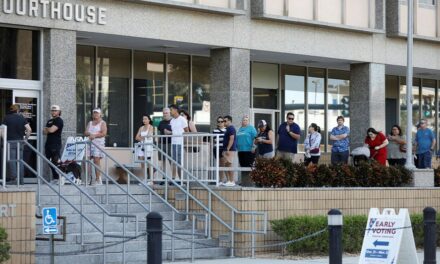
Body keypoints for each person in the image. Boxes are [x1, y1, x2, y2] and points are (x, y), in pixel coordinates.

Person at [2, 104, 31, 184]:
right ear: (18, 110)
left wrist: (4, 139)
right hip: (20, 142)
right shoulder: (22, 118)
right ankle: (21, 180)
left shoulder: (7, 118)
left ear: (11, 110)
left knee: (12, 161)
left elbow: (1, 131)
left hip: (10, 142)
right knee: (20, 161)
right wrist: (25, 139)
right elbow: (29, 129)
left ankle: (14, 179)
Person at [164, 104, 188, 181]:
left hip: (180, 143)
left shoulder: (182, 119)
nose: (170, 111)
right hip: (173, 143)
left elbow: (187, 131)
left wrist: (185, 143)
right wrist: (168, 132)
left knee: (179, 162)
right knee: (174, 161)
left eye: (171, 110)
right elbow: (173, 132)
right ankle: (174, 178)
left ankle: (181, 180)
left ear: (176, 110)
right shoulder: (172, 120)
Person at [85, 108, 107, 185]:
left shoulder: (103, 123)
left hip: (98, 144)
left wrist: (95, 135)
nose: (95, 114)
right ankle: (89, 178)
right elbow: (86, 132)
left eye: (97, 113)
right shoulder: (90, 122)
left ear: (100, 114)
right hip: (89, 143)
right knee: (86, 159)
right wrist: (90, 134)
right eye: (94, 113)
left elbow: (104, 133)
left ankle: (98, 179)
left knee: (96, 160)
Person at [44, 105, 64, 184]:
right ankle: (56, 178)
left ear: (59, 112)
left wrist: (48, 129)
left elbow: (51, 130)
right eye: (52, 110)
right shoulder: (49, 121)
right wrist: (48, 129)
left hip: (55, 144)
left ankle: (61, 177)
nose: (53, 112)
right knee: (49, 161)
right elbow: (44, 131)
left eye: (55, 110)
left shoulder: (59, 120)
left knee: (56, 162)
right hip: (48, 143)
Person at [135, 114, 154, 184]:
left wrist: (142, 138)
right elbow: (136, 137)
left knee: (149, 163)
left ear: (149, 120)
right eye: (143, 119)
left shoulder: (151, 127)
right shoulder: (141, 128)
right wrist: (143, 138)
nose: (144, 120)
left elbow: (148, 136)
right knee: (142, 163)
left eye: (146, 119)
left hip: (148, 146)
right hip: (141, 146)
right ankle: (144, 179)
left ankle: (151, 180)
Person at [222, 115, 237, 187]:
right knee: (226, 164)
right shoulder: (228, 129)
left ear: (229, 121)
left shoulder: (231, 128)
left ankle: (232, 181)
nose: (224, 122)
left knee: (229, 164)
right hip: (226, 149)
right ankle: (228, 180)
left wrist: (228, 148)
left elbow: (232, 138)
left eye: (225, 121)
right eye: (223, 121)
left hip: (229, 149)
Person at [158, 108, 172, 177]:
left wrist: (170, 132)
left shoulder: (173, 121)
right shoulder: (161, 122)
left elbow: (178, 131)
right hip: (161, 144)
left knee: (171, 161)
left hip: (170, 144)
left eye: (166, 113)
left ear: (170, 113)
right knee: (162, 161)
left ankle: (173, 178)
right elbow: (160, 132)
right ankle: (164, 177)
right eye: (164, 113)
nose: (165, 114)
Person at [212, 116, 226, 181]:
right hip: (216, 148)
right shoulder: (214, 130)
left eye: (221, 121)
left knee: (223, 164)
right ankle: (220, 179)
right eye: (218, 121)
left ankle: (223, 179)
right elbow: (213, 140)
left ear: (224, 122)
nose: (220, 123)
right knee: (219, 165)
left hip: (223, 149)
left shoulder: (227, 130)